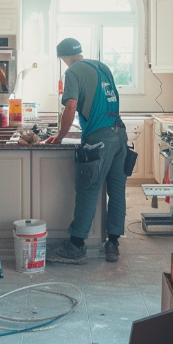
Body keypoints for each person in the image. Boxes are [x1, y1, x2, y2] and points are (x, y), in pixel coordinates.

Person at [45, 38, 127, 265]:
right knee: (117, 190)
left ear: (63, 58)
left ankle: (76, 246)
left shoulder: (72, 72)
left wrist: (60, 137)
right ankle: (113, 244)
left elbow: (70, 107)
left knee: (88, 190)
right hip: (119, 134)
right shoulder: (102, 66)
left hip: (99, 140)